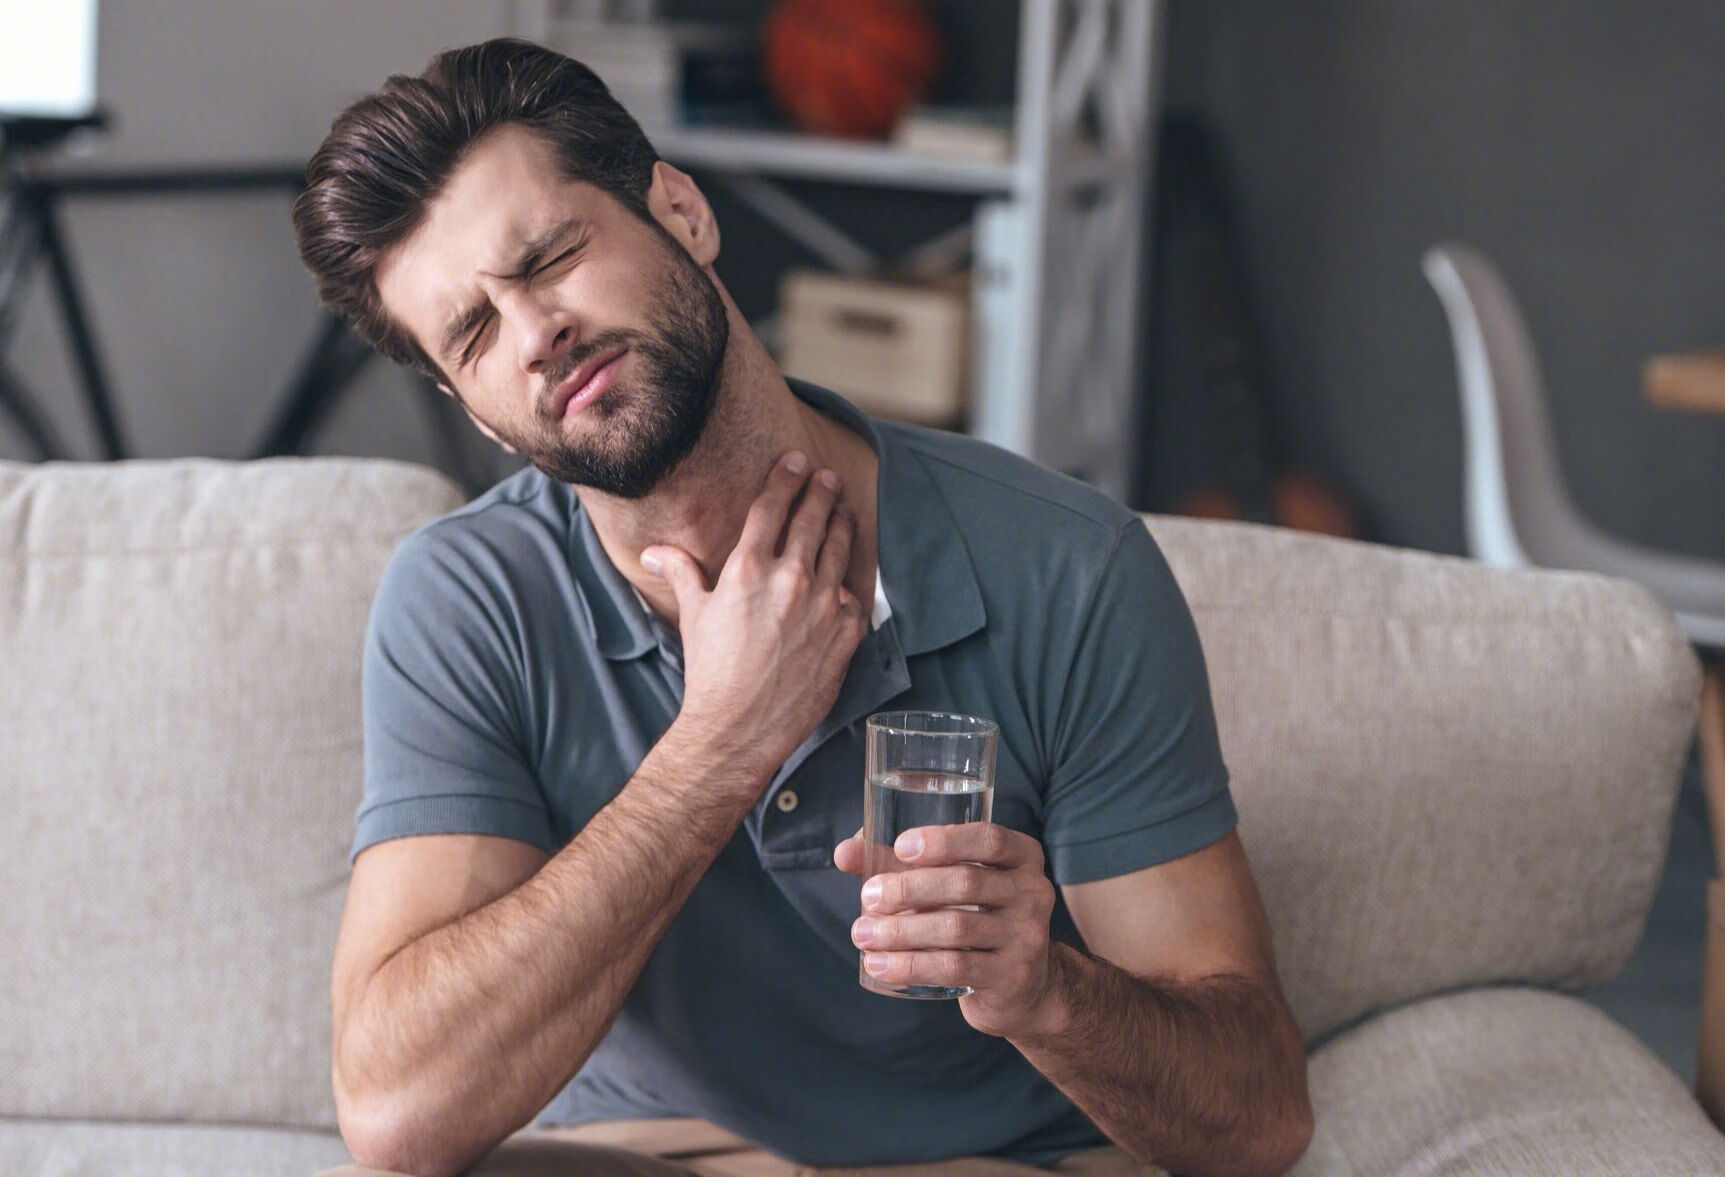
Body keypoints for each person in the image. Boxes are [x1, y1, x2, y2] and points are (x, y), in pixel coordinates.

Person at [294, 38, 1312, 1177]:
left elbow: (1259, 1122)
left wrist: (1045, 989)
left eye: (549, 256)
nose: (535, 334)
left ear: (679, 209)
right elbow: (393, 1116)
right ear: (474, 412)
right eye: (473, 335)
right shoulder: (468, 603)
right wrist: (719, 744)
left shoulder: (1066, 570)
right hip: (638, 1154)